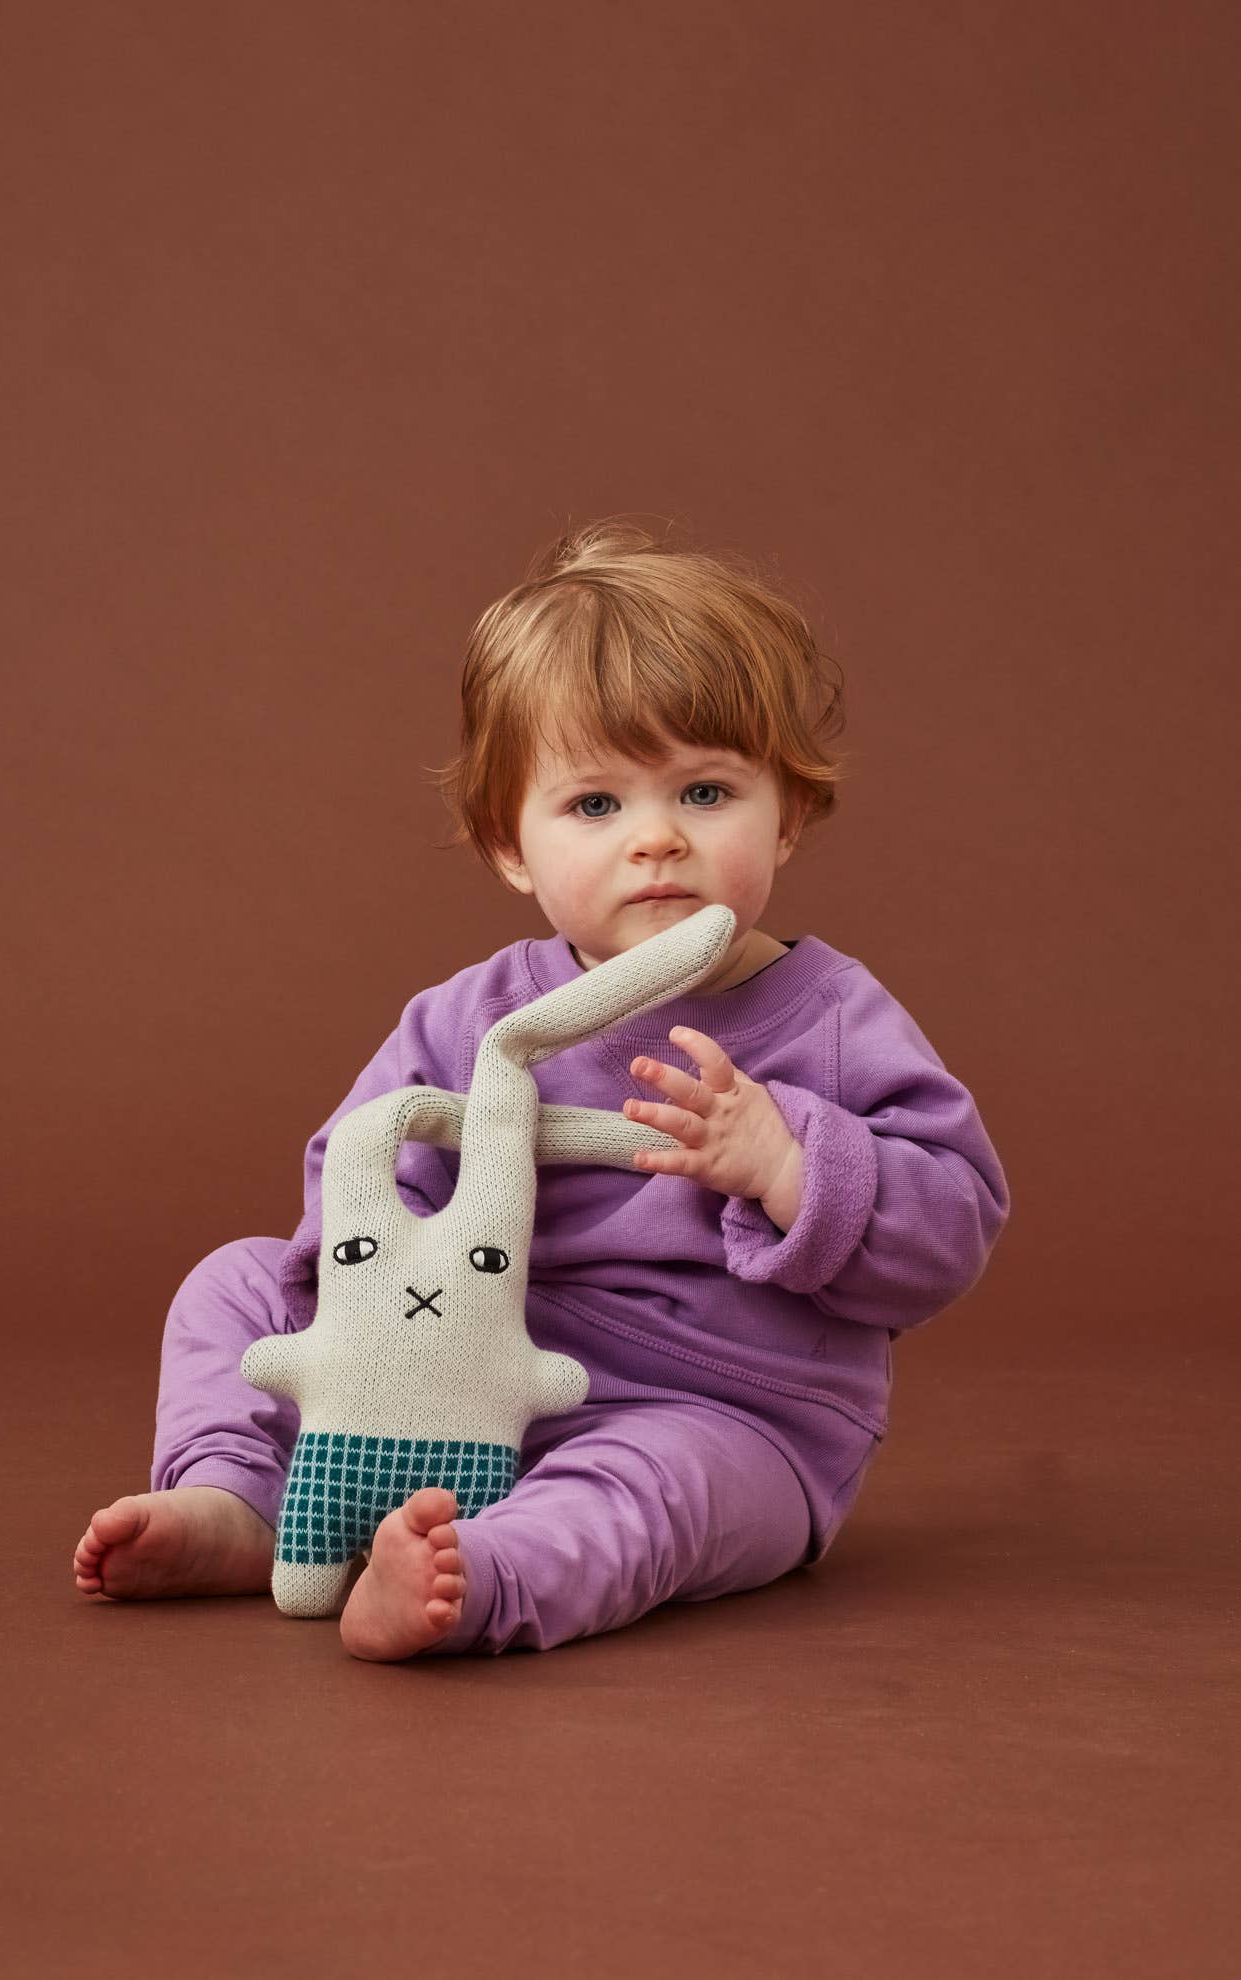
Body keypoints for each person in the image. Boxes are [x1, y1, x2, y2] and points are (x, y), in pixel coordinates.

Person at [72, 517, 1011, 1661]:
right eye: (596, 805)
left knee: (658, 1487)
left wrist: (788, 1159)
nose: (656, 841)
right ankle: (243, 1500)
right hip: (451, 1389)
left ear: (792, 812)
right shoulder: (469, 1020)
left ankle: (483, 1580)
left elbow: (954, 1221)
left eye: (707, 793)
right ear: (508, 845)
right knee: (229, 1285)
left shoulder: (831, 1019)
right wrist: (370, 1320)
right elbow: (355, 1175)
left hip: (718, 1412)